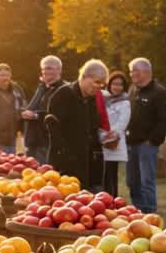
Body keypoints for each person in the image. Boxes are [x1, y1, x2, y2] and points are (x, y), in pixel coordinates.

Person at [45, 59, 104, 189]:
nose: (98, 86)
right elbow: (52, 127)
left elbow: (93, 128)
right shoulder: (64, 94)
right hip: (64, 160)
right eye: (96, 82)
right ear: (84, 77)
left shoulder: (92, 99)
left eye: (102, 84)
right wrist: (65, 154)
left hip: (86, 160)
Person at [125, 58, 166, 213]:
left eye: (134, 71)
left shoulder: (159, 93)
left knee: (146, 182)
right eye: (131, 71)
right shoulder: (133, 90)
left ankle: (149, 213)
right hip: (130, 144)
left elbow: (165, 121)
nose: (131, 74)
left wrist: (151, 141)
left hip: (146, 146)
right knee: (132, 181)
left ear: (145, 72)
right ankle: (137, 212)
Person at [24, 56, 65, 165]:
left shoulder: (64, 89)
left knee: (45, 175)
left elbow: (60, 114)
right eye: (43, 69)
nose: (45, 71)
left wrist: (36, 115)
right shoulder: (42, 88)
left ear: (59, 70)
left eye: (49, 68)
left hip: (48, 141)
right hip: (33, 139)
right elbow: (31, 107)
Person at [101, 72, 130, 197]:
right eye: (114, 84)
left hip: (114, 142)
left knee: (111, 174)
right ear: (109, 84)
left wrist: (113, 132)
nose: (117, 87)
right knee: (103, 174)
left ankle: (112, 200)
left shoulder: (125, 102)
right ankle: (103, 199)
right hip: (102, 139)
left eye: (120, 84)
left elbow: (123, 121)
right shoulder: (104, 99)